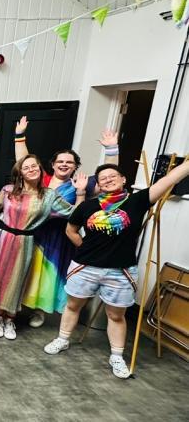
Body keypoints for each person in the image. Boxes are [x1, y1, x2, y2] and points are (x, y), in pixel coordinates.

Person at [44, 159, 189, 378]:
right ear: (99, 185)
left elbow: (169, 179)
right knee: (73, 305)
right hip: (85, 266)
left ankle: (117, 356)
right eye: (103, 178)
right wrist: (86, 250)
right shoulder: (88, 206)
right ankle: (62, 339)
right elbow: (71, 230)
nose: (108, 179)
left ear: (123, 179)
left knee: (116, 314)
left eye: (113, 176)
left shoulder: (138, 201)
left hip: (120, 270)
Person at [14, 117, 120, 326]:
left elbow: (109, 178)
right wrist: (19, 136)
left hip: (61, 237)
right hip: (34, 233)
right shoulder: (40, 180)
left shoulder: (83, 183)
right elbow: (23, 162)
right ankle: (13, 308)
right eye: (60, 161)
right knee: (25, 271)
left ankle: (38, 311)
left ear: (75, 166)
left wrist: (111, 150)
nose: (64, 165)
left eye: (69, 162)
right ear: (52, 164)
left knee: (47, 277)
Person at [0, 155, 87, 340]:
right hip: (5, 238)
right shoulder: (8, 190)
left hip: (26, 241)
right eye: (27, 167)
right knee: (0, 277)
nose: (32, 169)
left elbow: (74, 213)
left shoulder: (49, 195)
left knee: (18, 279)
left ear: (41, 169)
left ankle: (10, 319)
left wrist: (80, 193)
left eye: (35, 166)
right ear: (20, 173)